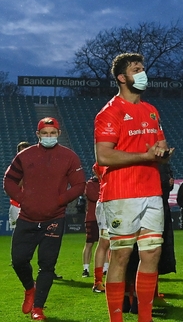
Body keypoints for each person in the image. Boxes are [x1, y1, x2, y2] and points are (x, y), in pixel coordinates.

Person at [94, 52, 173, 322]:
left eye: (143, 68)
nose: (142, 73)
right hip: (121, 193)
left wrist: (162, 154)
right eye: (136, 69)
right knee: (122, 256)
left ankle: (145, 317)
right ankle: (116, 319)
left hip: (151, 191)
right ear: (122, 77)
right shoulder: (109, 112)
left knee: (152, 253)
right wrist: (145, 156)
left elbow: (159, 146)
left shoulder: (151, 110)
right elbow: (103, 156)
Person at [4, 117, 85, 320]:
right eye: (45, 133)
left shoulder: (69, 157)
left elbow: (78, 185)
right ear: (38, 135)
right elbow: (9, 180)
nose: (49, 136)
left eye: (52, 133)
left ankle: (38, 308)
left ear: (58, 133)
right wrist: (23, 198)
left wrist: (60, 200)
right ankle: (29, 288)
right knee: (18, 260)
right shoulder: (25, 155)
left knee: (47, 265)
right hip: (28, 217)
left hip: (54, 218)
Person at [92, 163, 111, 293]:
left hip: (114, 201)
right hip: (106, 202)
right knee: (104, 242)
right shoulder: (107, 157)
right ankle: (98, 281)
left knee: (117, 243)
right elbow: (96, 167)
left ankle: (114, 279)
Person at [83, 174, 101, 278]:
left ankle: (105, 268)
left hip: (103, 217)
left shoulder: (104, 181)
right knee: (89, 243)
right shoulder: (90, 183)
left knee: (105, 243)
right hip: (92, 217)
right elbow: (93, 197)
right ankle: (86, 268)